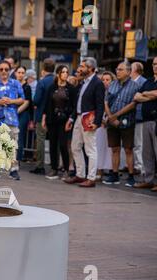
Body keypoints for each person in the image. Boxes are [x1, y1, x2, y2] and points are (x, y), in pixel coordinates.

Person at [64, 57, 105, 188]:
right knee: (75, 147)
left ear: (91, 68)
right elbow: (78, 103)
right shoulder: (83, 82)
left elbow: (100, 104)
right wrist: (71, 118)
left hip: (89, 119)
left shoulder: (97, 83)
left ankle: (91, 178)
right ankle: (80, 174)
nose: (80, 69)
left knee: (90, 149)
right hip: (78, 117)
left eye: (83, 66)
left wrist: (97, 122)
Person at [0, 60, 25, 180]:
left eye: (6, 69)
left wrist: (11, 101)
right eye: (1, 69)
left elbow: (22, 99)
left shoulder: (15, 83)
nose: (3, 72)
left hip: (12, 119)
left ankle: (13, 169)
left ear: (9, 71)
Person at [102, 61, 139, 187]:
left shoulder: (135, 86)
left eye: (121, 69)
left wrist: (115, 116)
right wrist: (111, 117)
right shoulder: (112, 84)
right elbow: (106, 102)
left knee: (128, 149)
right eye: (117, 69)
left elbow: (133, 104)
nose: (118, 71)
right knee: (115, 149)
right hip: (112, 122)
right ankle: (114, 174)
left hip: (127, 121)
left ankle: (131, 176)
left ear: (128, 72)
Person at [133, 56, 157, 192]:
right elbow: (136, 96)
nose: (156, 66)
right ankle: (148, 180)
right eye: (154, 64)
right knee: (147, 153)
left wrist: (145, 95)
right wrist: (149, 95)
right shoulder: (149, 81)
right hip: (146, 120)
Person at [42, 65, 76, 180]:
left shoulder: (71, 88)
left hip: (64, 120)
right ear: (58, 74)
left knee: (63, 145)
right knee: (52, 145)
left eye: (67, 72)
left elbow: (74, 106)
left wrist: (70, 119)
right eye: (63, 72)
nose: (65, 74)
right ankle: (54, 169)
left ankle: (66, 169)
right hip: (52, 119)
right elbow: (47, 104)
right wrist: (44, 119)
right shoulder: (52, 87)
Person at [30, 58, 55, 175]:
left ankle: (40, 165)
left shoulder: (42, 82)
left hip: (41, 115)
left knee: (40, 140)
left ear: (43, 68)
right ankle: (56, 165)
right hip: (55, 115)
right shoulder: (57, 80)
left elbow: (36, 100)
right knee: (55, 141)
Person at [95, 71, 115, 179]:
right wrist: (101, 120)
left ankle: (111, 170)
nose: (105, 82)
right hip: (100, 123)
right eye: (103, 80)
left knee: (110, 149)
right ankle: (99, 171)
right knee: (99, 147)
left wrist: (108, 119)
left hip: (111, 122)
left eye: (108, 80)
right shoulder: (99, 92)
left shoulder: (114, 93)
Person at [131, 62, 147, 176]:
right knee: (131, 143)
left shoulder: (143, 82)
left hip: (140, 116)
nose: (129, 70)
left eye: (130, 68)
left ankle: (139, 167)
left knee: (139, 143)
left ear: (136, 70)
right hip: (130, 116)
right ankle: (132, 165)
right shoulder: (130, 82)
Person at [15, 66, 33, 163]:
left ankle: (17, 159)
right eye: (19, 72)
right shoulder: (12, 85)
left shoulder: (27, 87)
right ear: (15, 73)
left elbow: (27, 102)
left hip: (23, 114)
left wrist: (16, 111)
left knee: (20, 136)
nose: (21, 74)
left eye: (22, 72)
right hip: (11, 113)